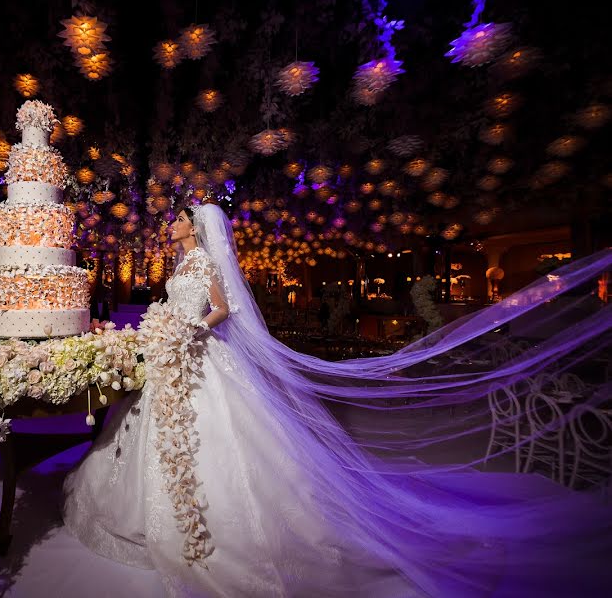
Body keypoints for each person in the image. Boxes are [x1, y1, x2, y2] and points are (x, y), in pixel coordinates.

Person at [63, 202, 612, 597]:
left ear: (198, 228)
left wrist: (192, 331)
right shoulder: (176, 266)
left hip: (202, 354)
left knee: (225, 438)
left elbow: (222, 310)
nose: (172, 224)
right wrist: (167, 330)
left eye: (180, 218)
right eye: (174, 220)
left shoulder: (205, 265)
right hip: (173, 356)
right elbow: (178, 309)